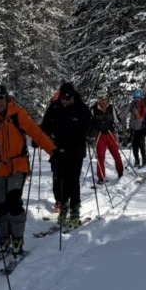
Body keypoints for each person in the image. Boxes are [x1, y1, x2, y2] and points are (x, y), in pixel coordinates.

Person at [0, 83, 56, 260]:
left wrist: (53, 151)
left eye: (1, 98)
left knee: (14, 201)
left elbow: (36, 133)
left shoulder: (18, 114)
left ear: (6, 98)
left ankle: (17, 240)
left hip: (18, 165)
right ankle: (4, 239)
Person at [40, 81, 92, 227]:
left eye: (67, 98)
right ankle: (63, 207)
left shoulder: (81, 107)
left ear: (73, 97)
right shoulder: (55, 107)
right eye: (63, 98)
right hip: (59, 150)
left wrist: (91, 129)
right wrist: (40, 137)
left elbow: (89, 125)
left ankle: (75, 209)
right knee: (61, 180)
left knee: (73, 180)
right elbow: (46, 126)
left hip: (76, 150)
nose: (65, 101)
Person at [90, 92, 124, 183]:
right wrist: (92, 132)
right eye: (101, 100)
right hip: (100, 135)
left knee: (116, 155)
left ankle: (120, 173)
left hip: (110, 133)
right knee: (100, 157)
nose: (103, 102)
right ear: (98, 100)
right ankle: (101, 177)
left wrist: (116, 125)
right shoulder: (93, 109)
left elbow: (117, 120)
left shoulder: (111, 108)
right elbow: (90, 123)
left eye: (104, 99)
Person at [126, 89, 146, 168]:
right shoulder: (132, 105)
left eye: (138, 98)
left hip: (141, 128)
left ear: (141, 98)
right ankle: (137, 160)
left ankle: (144, 160)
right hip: (133, 128)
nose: (137, 99)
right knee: (134, 146)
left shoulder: (144, 105)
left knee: (142, 145)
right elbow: (126, 111)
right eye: (135, 98)